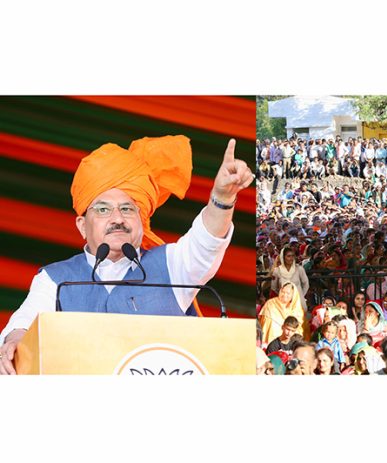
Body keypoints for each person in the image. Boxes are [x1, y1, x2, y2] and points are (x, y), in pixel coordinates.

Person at [0, 136, 254, 375]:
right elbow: (23, 324)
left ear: (141, 221)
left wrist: (222, 197)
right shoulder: (55, 279)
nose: (118, 219)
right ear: (81, 225)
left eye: (127, 208)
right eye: (103, 210)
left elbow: (206, 241)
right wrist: (16, 340)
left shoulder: (171, 265)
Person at [270, 246, 310, 312]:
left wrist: (301, 295)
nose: (291, 258)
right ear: (283, 257)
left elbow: (306, 284)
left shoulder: (299, 269)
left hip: (299, 302)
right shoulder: (277, 271)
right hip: (284, 303)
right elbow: (274, 287)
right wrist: (283, 295)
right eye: (288, 256)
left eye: (292, 256)